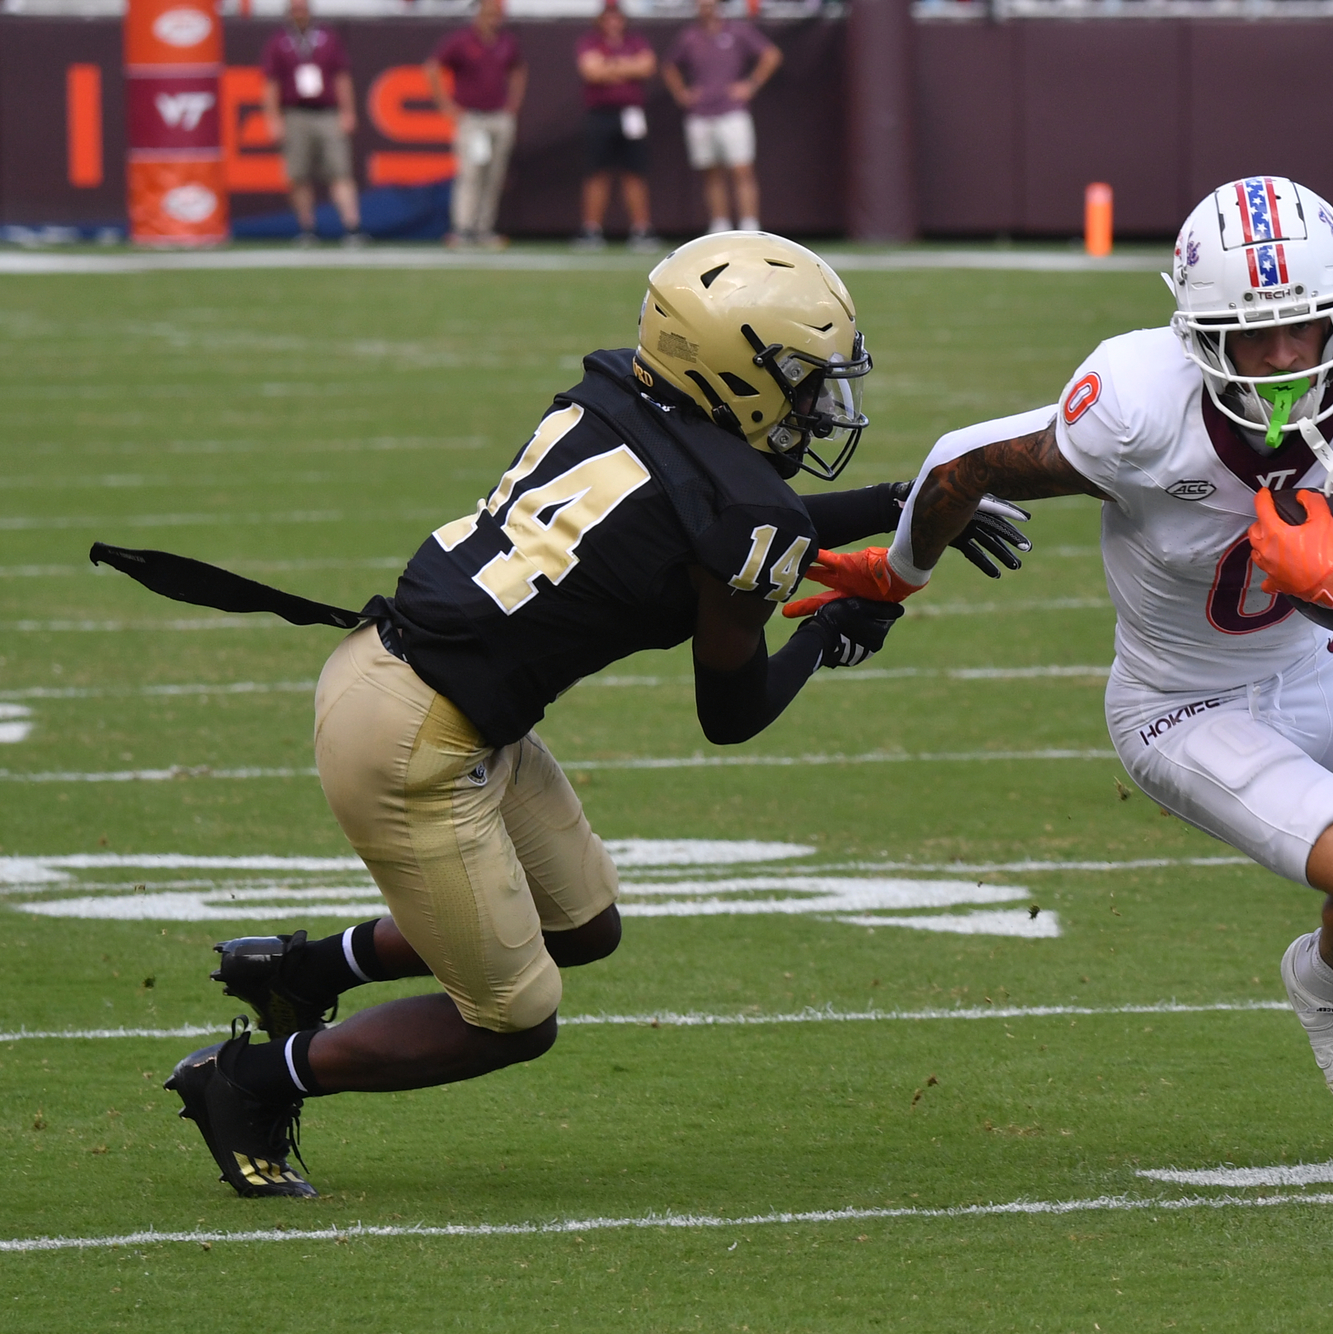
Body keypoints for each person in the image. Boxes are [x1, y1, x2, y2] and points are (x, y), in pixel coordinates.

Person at [108, 233, 1028, 1197]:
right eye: (799, 379)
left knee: (582, 926)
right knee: (512, 1016)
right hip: (415, 739)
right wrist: (828, 632)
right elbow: (734, 709)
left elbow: (723, 513)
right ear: (733, 370)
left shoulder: (615, 394)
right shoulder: (741, 505)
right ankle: (248, 1079)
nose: (815, 404)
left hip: (423, 690)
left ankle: (305, 970)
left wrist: (902, 505)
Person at [795, 178, 1333, 1166]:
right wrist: (896, 574)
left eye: (1304, 328)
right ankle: (1327, 980)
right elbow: (960, 464)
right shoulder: (1137, 411)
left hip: (1315, 660)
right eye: (1250, 336)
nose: (1280, 358)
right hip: (1179, 705)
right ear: (1197, 337)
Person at [664, 0, 783, 234]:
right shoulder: (690, 36)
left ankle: (750, 225)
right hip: (701, 114)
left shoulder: (738, 30)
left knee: (741, 169)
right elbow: (669, 66)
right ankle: (720, 225)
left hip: (732, 111)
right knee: (711, 171)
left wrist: (751, 84)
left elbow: (771, 55)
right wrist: (681, 92)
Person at [259, 0, 362, 246]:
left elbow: (341, 76)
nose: (300, 14)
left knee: (340, 171)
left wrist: (347, 111)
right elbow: (271, 85)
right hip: (295, 113)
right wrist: (273, 119)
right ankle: (307, 228)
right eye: (295, 10)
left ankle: (352, 227)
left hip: (327, 112)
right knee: (298, 174)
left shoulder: (327, 37)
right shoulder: (279, 42)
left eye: (303, 9)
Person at [427, 0, 527, 250]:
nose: (494, 19)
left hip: (498, 117)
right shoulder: (462, 41)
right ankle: (463, 228)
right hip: (473, 118)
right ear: (480, 14)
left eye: (497, 15)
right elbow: (433, 67)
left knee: (494, 175)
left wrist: (514, 101)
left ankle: (484, 229)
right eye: (490, 14)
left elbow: (518, 69)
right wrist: (446, 104)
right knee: (471, 173)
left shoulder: (506, 42)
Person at [575, 0, 658, 250]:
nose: (613, 22)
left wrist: (610, 66)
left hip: (631, 114)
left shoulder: (636, 40)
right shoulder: (590, 41)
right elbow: (591, 71)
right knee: (597, 171)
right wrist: (626, 66)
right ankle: (591, 229)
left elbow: (647, 66)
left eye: (617, 17)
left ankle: (641, 229)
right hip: (601, 114)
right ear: (601, 19)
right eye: (608, 17)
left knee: (634, 171)